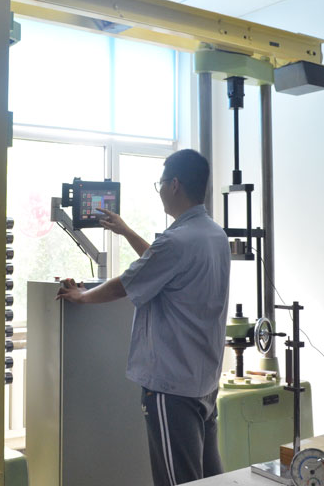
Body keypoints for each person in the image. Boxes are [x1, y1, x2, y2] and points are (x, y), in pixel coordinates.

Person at [57, 149, 231, 486]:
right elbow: (161, 265)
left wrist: (81, 296)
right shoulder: (214, 235)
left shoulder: (176, 241)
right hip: (204, 383)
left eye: (160, 183)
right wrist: (126, 231)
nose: (160, 190)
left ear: (175, 184)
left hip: (171, 389)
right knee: (210, 479)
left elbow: (126, 284)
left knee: (177, 480)